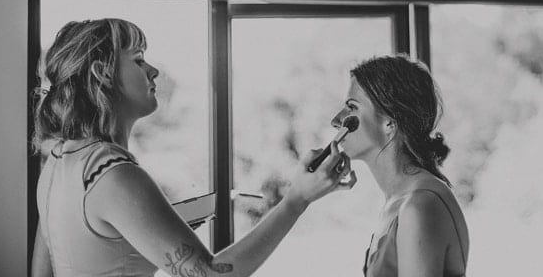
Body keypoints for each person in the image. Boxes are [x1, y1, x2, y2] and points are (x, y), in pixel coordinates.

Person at [31, 18, 355, 277]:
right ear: (102, 74)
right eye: (139, 60)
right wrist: (297, 199)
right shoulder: (114, 174)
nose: (153, 70)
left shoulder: (59, 160)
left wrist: (181, 219)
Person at [330, 55, 469, 277]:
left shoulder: (418, 206)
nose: (336, 120)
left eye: (352, 107)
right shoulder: (400, 200)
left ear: (389, 122)